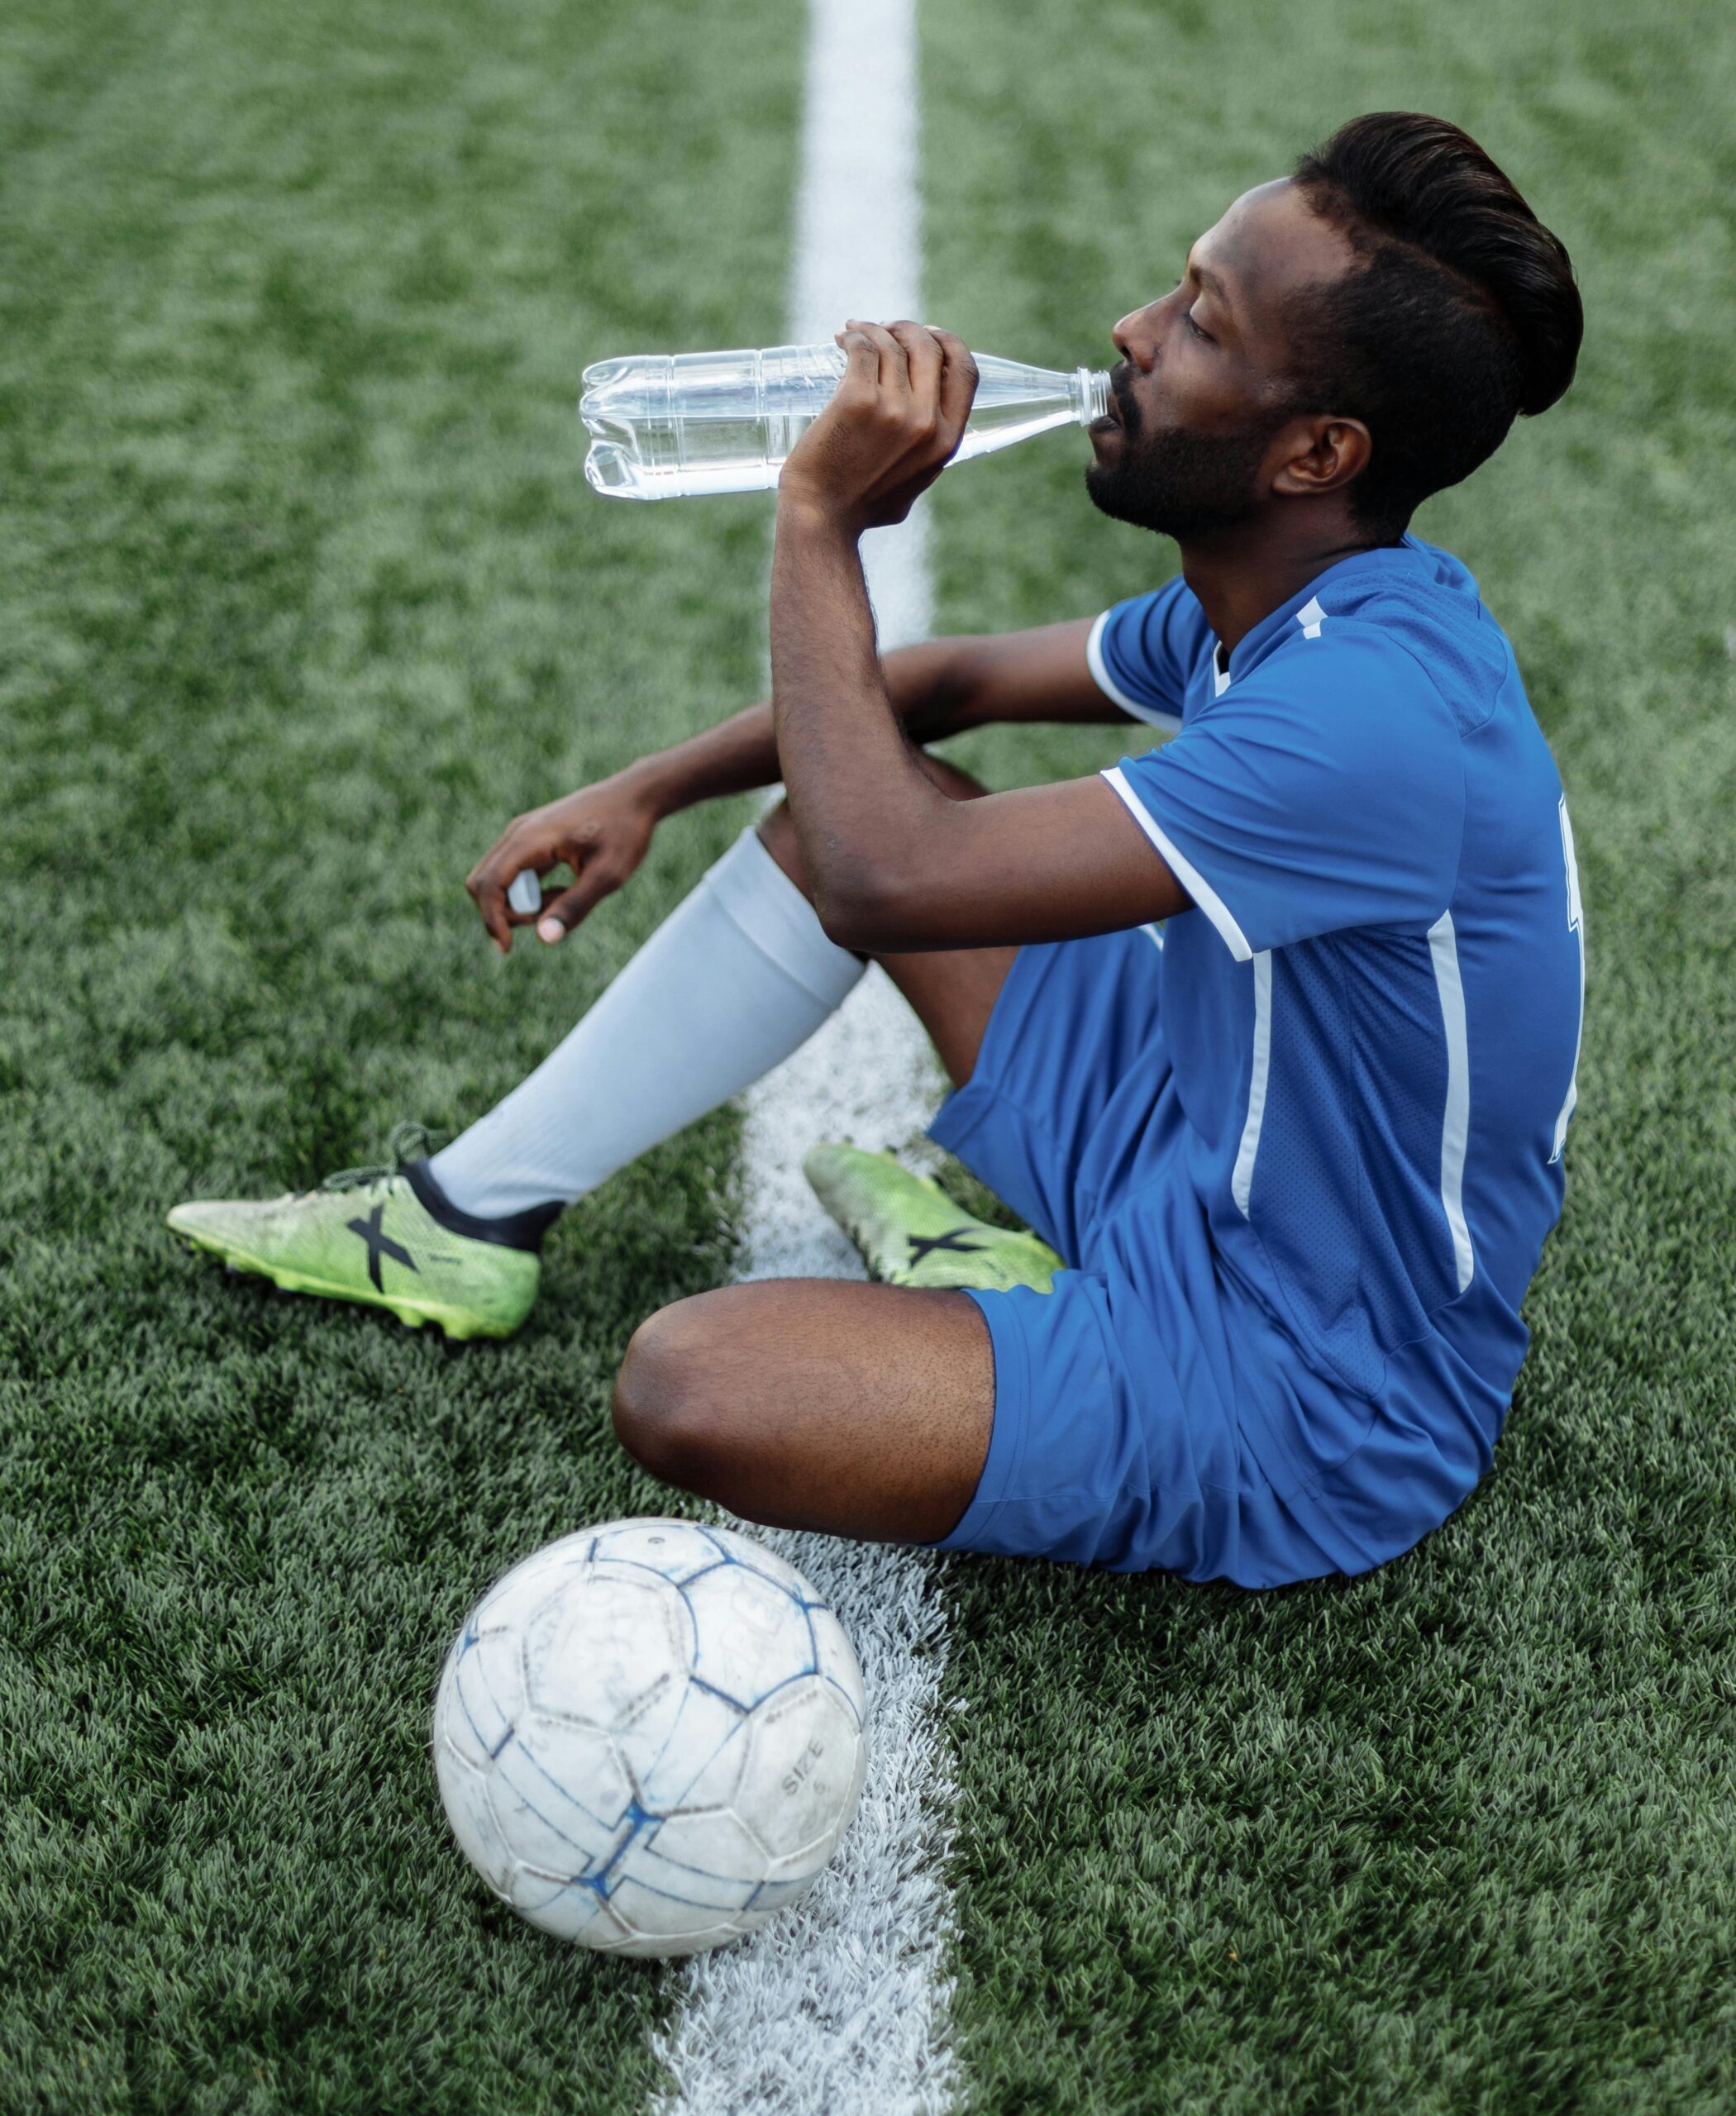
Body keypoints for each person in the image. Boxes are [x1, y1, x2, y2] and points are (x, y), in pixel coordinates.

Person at [170, 112, 1587, 1588]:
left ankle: (1018, 1293)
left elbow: (883, 878)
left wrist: (816, 520)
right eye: (1178, 285)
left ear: (1316, 452)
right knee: (874, 788)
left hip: (1307, 1383)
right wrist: (650, 787)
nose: (1134, 329)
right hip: (1189, 1138)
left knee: (691, 1384)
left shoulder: (1370, 716)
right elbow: (944, 686)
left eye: (1199, 323)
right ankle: (468, 1212)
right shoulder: (1305, 600)